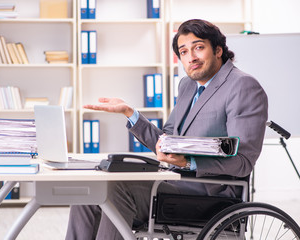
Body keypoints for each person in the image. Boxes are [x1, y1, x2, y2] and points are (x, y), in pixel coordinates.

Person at [65, 19, 268, 239]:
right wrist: (130, 113)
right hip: (176, 183)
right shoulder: (188, 85)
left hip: (212, 195)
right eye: (183, 51)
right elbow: (166, 142)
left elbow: (243, 161)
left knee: (115, 190)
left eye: (199, 47)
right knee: (91, 188)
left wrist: (188, 162)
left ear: (218, 50)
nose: (191, 57)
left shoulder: (242, 86)